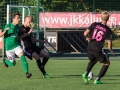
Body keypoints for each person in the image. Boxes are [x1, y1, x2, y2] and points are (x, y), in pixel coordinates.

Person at [82, 11, 114, 84]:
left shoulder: (94, 24)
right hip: (98, 48)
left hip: (90, 47)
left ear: (101, 17)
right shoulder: (108, 30)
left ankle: (86, 73)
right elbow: (109, 43)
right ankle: (97, 79)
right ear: (108, 18)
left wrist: (87, 37)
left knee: (94, 60)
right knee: (107, 63)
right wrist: (111, 50)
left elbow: (85, 33)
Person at [0, 12, 32, 78]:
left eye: (19, 18)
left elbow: (20, 37)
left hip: (16, 46)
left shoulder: (18, 27)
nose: (19, 19)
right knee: (13, 63)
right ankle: (5, 61)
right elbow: (0, 35)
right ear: (13, 19)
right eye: (17, 18)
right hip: (8, 48)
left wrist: (28, 33)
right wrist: (4, 31)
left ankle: (27, 73)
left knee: (23, 57)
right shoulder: (8, 26)